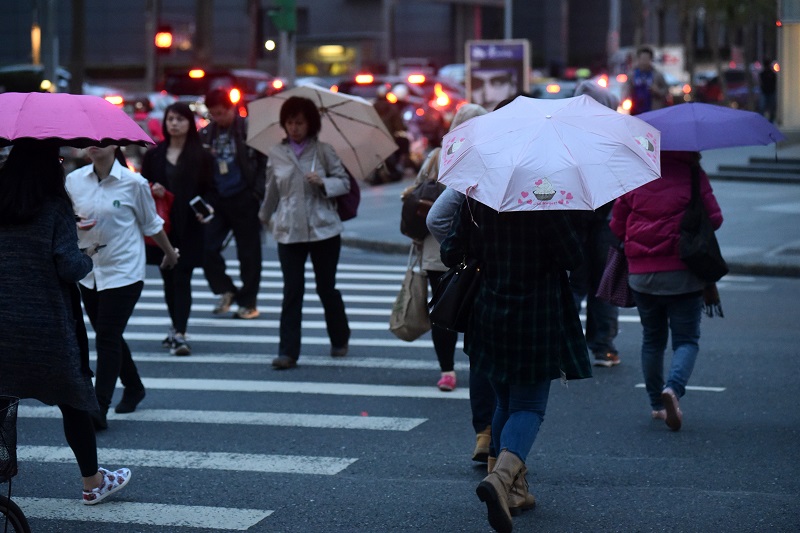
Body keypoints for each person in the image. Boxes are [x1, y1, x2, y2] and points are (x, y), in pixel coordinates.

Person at [441, 194, 590, 533]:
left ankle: (515, 492)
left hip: (488, 311)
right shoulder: (546, 200)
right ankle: (501, 478)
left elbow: (449, 251)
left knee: (505, 402)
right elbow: (573, 257)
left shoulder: (477, 197)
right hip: (536, 316)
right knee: (529, 407)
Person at [0, 140, 132, 504]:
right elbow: (68, 266)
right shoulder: (55, 207)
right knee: (74, 401)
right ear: (48, 167)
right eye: (58, 159)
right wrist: (86, 254)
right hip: (46, 326)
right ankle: (92, 483)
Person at [66, 145, 179, 429]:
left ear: (115, 145)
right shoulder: (74, 180)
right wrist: (75, 222)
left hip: (124, 270)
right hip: (88, 269)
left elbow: (151, 223)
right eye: (91, 139)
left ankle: (98, 406)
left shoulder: (134, 183)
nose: (95, 144)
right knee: (109, 334)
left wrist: (169, 253)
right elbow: (65, 217)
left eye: (102, 139)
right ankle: (134, 386)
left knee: (106, 335)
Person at [609, 151, 723, 431]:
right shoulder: (693, 173)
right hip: (683, 270)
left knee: (652, 340)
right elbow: (715, 219)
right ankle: (673, 388)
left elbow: (616, 225)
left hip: (641, 273)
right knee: (686, 340)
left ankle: (657, 406)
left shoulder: (636, 173)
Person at [258, 96, 351, 370]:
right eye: (289, 122)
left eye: (299, 122)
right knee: (292, 290)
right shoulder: (276, 153)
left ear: (310, 123)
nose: (294, 127)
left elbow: (343, 182)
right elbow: (271, 192)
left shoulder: (323, 150)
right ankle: (287, 352)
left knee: (326, 288)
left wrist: (324, 183)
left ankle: (339, 337)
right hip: (289, 231)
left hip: (324, 229)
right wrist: (263, 218)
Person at [403, 103, 489, 394]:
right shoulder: (485, 158)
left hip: (435, 247)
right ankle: (471, 364)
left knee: (444, 309)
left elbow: (417, 195)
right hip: (470, 250)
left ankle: (447, 370)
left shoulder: (438, 156)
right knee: (474, 309)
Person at [141, 102, 214, 356]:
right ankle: (175, 328)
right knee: (168, 278)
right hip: (163, 226)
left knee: (183, 277)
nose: (174, 123)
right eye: (171, 119)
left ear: (189, 123)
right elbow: (143, 187)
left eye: (180, 119)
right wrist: (153, 189)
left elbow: (211, 190)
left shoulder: (202, 155)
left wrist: (207, 210)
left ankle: (180, 332)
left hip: (191, 225)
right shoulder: (153, 155)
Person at [570, 80, 623, 367]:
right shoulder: (615, 139)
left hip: (572, 221)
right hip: (606, 221)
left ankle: (561, 343)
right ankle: (602, 345)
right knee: (604, 285)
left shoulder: (564, 135)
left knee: (573, 285)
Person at [200, 88, 265, 320]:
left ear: (232, 108)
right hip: (217, 198)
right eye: (213, 114)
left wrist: (257, 193)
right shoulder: (207, 133)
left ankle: (248, 301)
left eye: (221, 113)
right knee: (207, 248)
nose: (218, 118)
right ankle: (225, 288)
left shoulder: (248, 129)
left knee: (248, 253)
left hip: (244, 196)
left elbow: (263, 162)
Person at [624, 46, 668, 115]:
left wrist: (657, 91)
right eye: (642, 58)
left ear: (651, 60)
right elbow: (626, 91)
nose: (644, 61)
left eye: (647, 59)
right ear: (638, 59)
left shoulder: (657, 75)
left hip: (652, 111)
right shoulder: (632, 74)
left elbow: (666, 91)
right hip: (635, 111)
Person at [759, 58, 777, 123]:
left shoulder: (764, 73)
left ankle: (764, 121)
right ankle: (768, 121)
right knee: (768, 108)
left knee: (764, 107)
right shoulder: (770, 74)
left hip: (768, 92)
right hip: (768, 92)